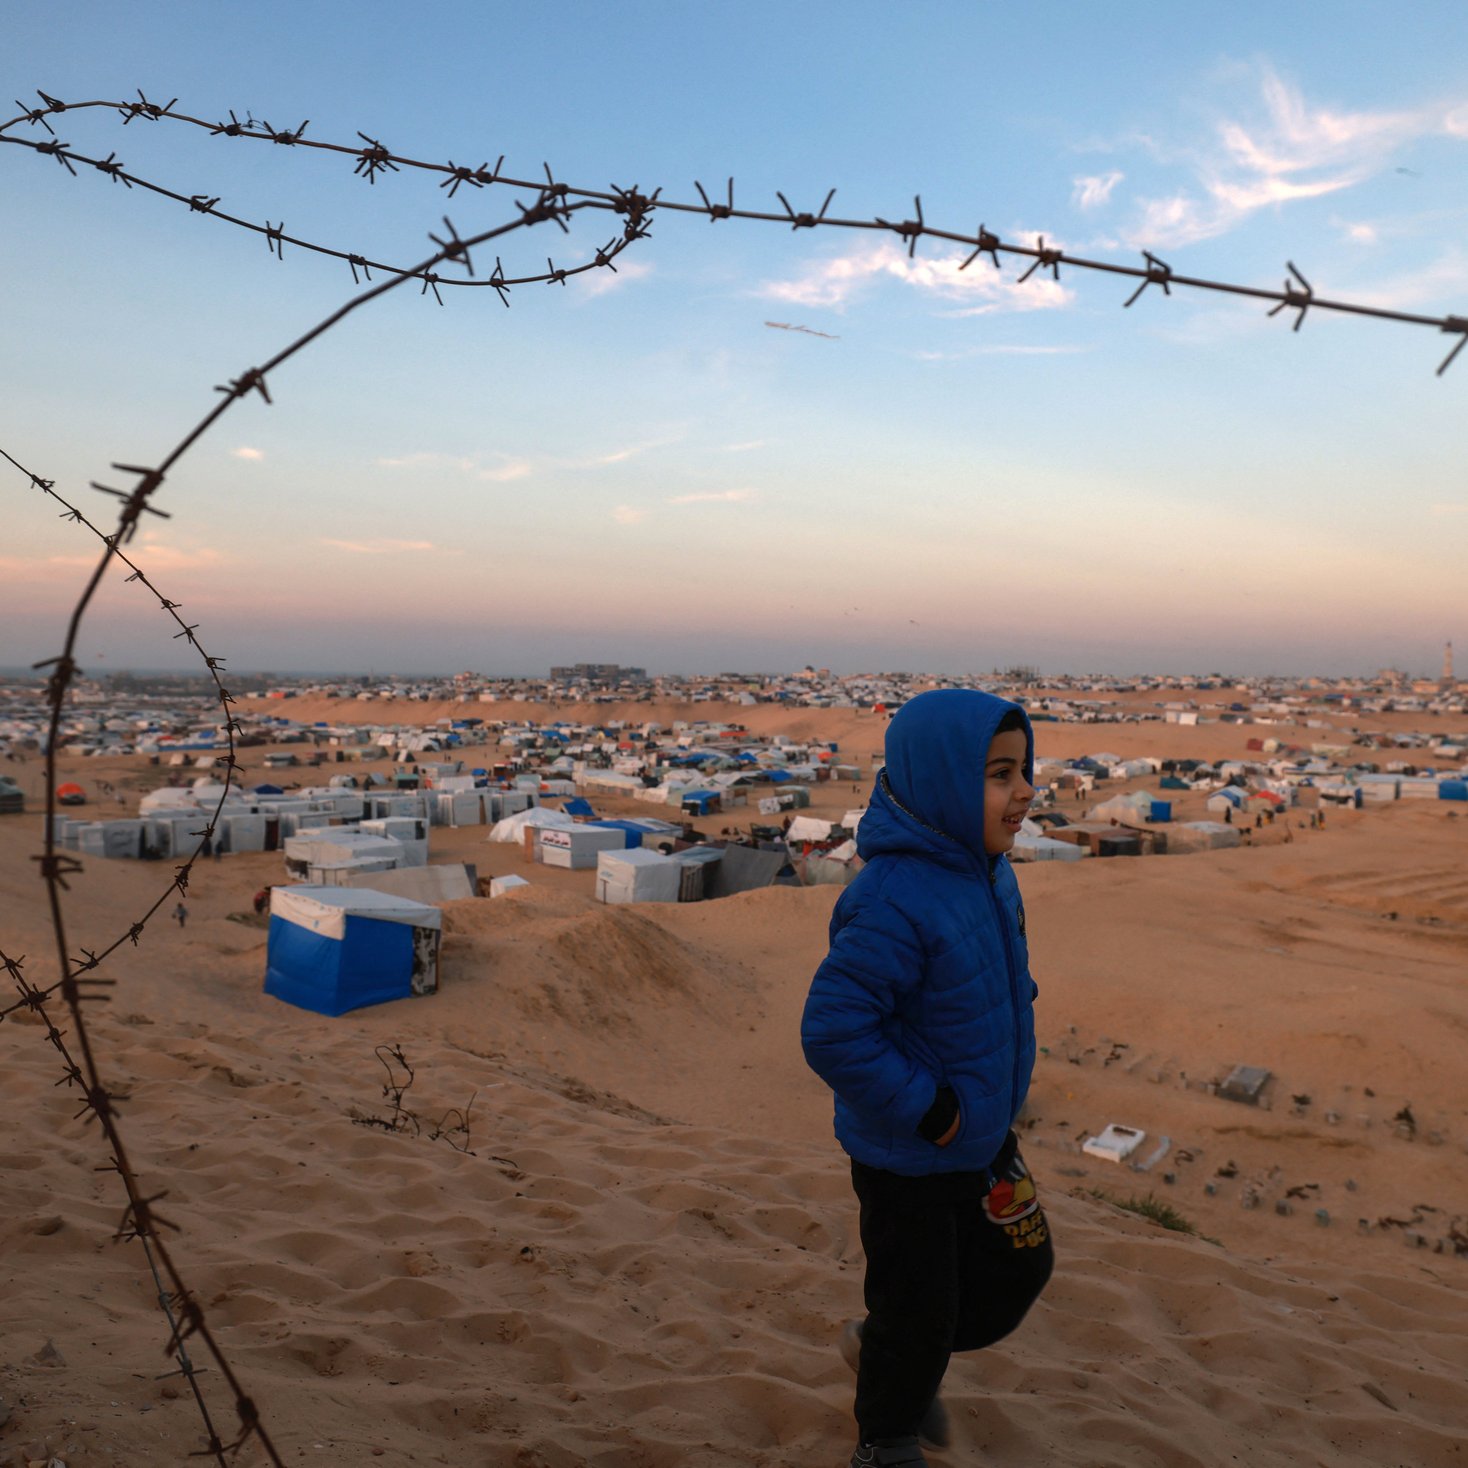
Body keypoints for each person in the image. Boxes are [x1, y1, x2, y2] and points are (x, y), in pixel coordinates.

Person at [802, 690, 1053, 1468]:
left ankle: (891, 1350)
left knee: (1021, 1265)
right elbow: (834, 1031)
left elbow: (990, 977)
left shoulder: (989, 873)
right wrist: (933, 1109)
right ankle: (886, 1438)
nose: (1024, 792)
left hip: (981, 1132)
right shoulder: (891, 898)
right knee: (921, 1309)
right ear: (943, 779)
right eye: (999, 774)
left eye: (1025, 770)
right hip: (910, 1153)